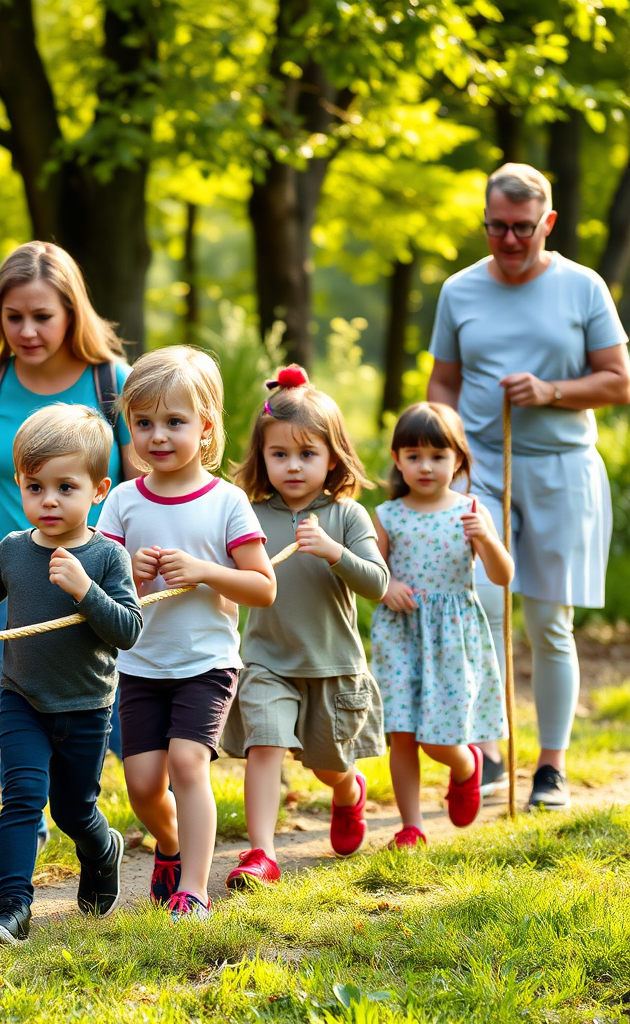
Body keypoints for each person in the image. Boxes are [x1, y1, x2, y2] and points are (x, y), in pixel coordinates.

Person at [427, 162, 630, 810]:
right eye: (497, 228)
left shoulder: (583, 287)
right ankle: (487, 751)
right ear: (485, 222)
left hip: (562, 467)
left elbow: (619, 380)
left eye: (522, 228)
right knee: (481, 607)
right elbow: (444, 382)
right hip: (483, 467)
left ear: (547, 223)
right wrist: (448, 453)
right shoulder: (460, 290)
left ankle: (550, 767)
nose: (509, 241)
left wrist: (552, 392)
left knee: (548, 620)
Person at [0, 241, 135, 867]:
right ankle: (26, 831)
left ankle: (119, 811)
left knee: (99, 717)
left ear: (72, 313)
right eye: (13, 317)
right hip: (14, 575)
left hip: (97, 575)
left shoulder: (113, 383)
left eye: (42, 316)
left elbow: (141, 479)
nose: (27, 331)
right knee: (21, 702)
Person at [97, 346, 277, 919]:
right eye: (143, 423)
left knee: (188, 763)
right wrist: (136, 580)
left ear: (205, 427)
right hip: (141, 665)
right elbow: (109, 591)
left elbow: (262, 586)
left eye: (174, 422)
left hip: (206, 661)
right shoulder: (123, 501)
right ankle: (170, 847)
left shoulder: (227, 501)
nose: (158, 436)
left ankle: (194, 888)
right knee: (144, 785)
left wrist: (203, 571)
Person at [0, 404, 143, 945]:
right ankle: (13, 908)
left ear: (98, 490)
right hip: (23, 699)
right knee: (22, 796)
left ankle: (101, 849)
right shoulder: (11, 551)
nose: (48, 500)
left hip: (87, 704)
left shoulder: (107, 558)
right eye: (35, 486)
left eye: (65, 487)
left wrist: (84, 590)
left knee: (74, 811)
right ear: (19, 485)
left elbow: (128, 630)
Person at [222, 365, 389, 884]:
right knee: (264, 746)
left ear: (332, 457)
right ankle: (261, 854)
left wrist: (335, 553)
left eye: (307, 454)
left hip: (332, 665)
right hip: (267, 661)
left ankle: (348, 792)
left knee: (327, 767)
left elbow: (378, 584)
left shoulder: (346, 516)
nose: (293, 466)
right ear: (261, 457)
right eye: (279, 454)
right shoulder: (247, 514)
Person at [371, 403, 514, 847]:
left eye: (437, 455)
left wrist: (487, 539)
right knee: (403, 732)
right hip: (400, 631)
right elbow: (371, 570)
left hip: (453, 636)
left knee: (439, 738)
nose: (425, 466)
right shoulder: (387, 515)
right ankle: (411, 825)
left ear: (459, 459)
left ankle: (467, 764)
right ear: (397, 460)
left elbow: (503, 576)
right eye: (413, 455)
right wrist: (386, 585)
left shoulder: (471, 511)